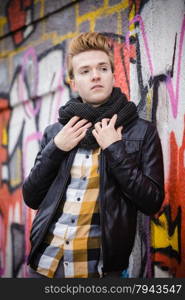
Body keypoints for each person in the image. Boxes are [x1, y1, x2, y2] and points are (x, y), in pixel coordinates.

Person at [22, 32, 164, 278]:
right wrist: (56, 148)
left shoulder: (141, 132)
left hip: (97, 270)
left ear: (113, 74)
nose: (95, 75)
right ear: (74, 82)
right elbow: (32, 197)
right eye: (85, 71)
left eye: (102, 68)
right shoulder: (57, 132)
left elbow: (151, 201)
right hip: (45, 265)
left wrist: (114, 149)